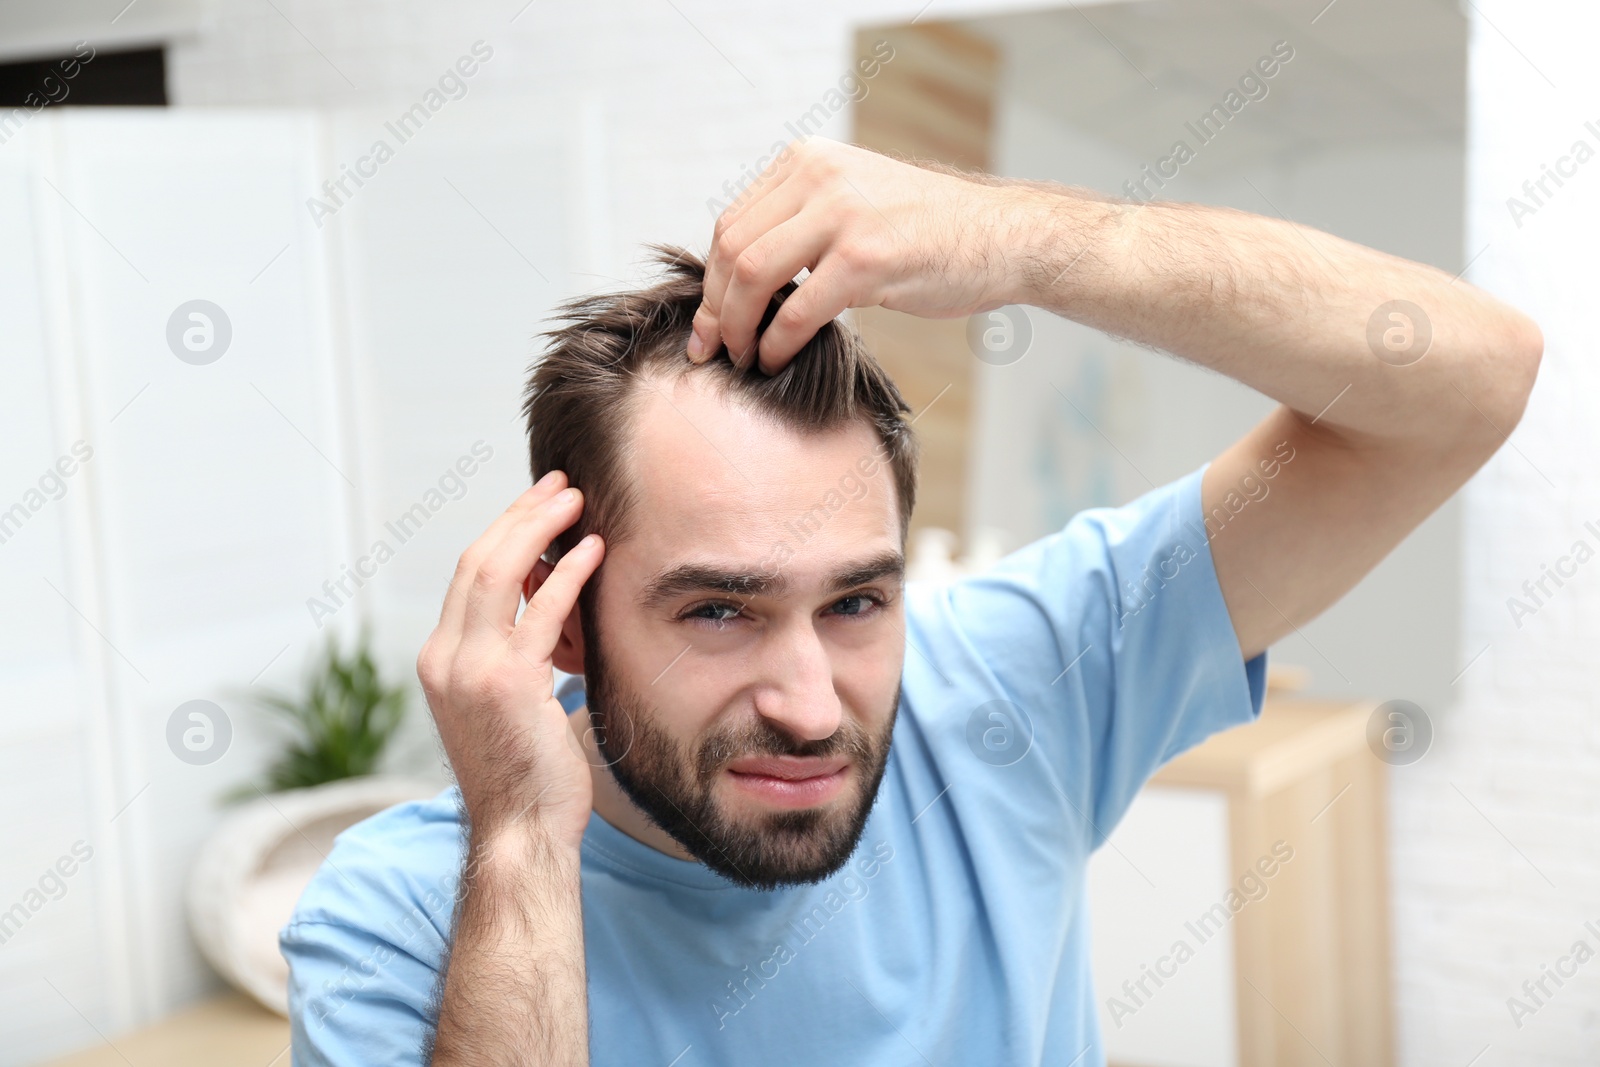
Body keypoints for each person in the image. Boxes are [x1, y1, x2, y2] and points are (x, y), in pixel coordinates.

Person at [281, 137, 1541, 1066]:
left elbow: (1468, 381)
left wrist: (1031, 242)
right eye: (718, 610)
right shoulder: (404, 920)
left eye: (856, 602)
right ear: (564, 614)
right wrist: (519, 841)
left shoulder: (1008, 688)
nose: (811, 702)